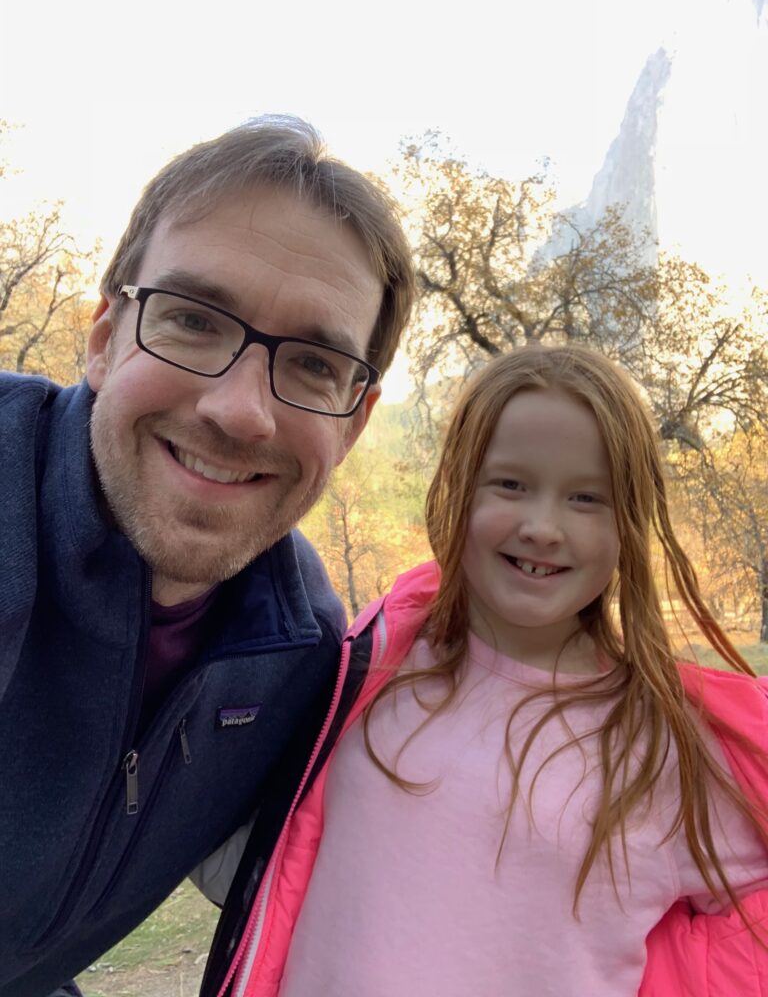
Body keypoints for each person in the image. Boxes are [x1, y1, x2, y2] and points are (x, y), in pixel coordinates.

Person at [0, 115, 415, 997]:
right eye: (193, 319)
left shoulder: (300, 654)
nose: (239, 411)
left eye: (311, 364)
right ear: (105, 335)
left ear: (358, 420)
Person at [210, 345, 768, 997]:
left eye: (587, 498)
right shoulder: (372, 663)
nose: (542, 526)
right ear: (459, 487)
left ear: (629, 524)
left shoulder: (669, 746)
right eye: (510, 484)